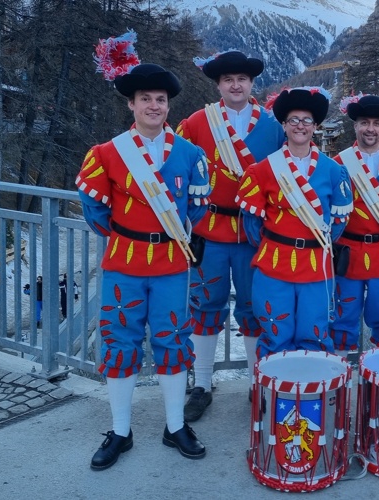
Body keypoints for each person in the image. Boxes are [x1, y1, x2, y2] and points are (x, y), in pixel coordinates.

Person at [76, 32, 212, 471]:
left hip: (172, 264)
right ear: (131, 105)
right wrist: (129, 234)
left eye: (160, 99)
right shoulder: (105, 154)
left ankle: (175, 427)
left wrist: (162, 235)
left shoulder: (191, 155)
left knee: (172, 340)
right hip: (124, 264)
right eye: (145, 99)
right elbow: (93, 209)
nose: (154, 105)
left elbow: (198, 207)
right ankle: (120, 431)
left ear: (168, 105)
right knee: (120, 341)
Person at [176, 51, 285, 421]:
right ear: (218, 85)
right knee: (205, 306)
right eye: (228, 80)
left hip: (257, 232)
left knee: (256, 308)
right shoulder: (194, 124)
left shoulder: (274, 125)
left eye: (242, 78)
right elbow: (178, 171)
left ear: (252, 83)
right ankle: (202, 384)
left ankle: (258, 383)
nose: (235, 85)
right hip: (211, 229)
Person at [235, 87, 353, 357]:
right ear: (284, 126)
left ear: (316, 127)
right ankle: (274, 397)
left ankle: (311, 398)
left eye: (307, 120)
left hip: (316, 265)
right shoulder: (262, 170)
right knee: (275, 334)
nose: (300, 126)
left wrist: (314, 243)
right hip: (274, 263)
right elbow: (253, 223)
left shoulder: (334, 171)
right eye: (293, 120)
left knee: (314, 334)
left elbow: (337, 223)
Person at [330, 94, 379, 355]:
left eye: (376, 123)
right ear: (355, 126)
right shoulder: (336, 165)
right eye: (364, 122)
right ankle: (341, 383)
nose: (370, 129)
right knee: (343, 316)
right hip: (347, 252)